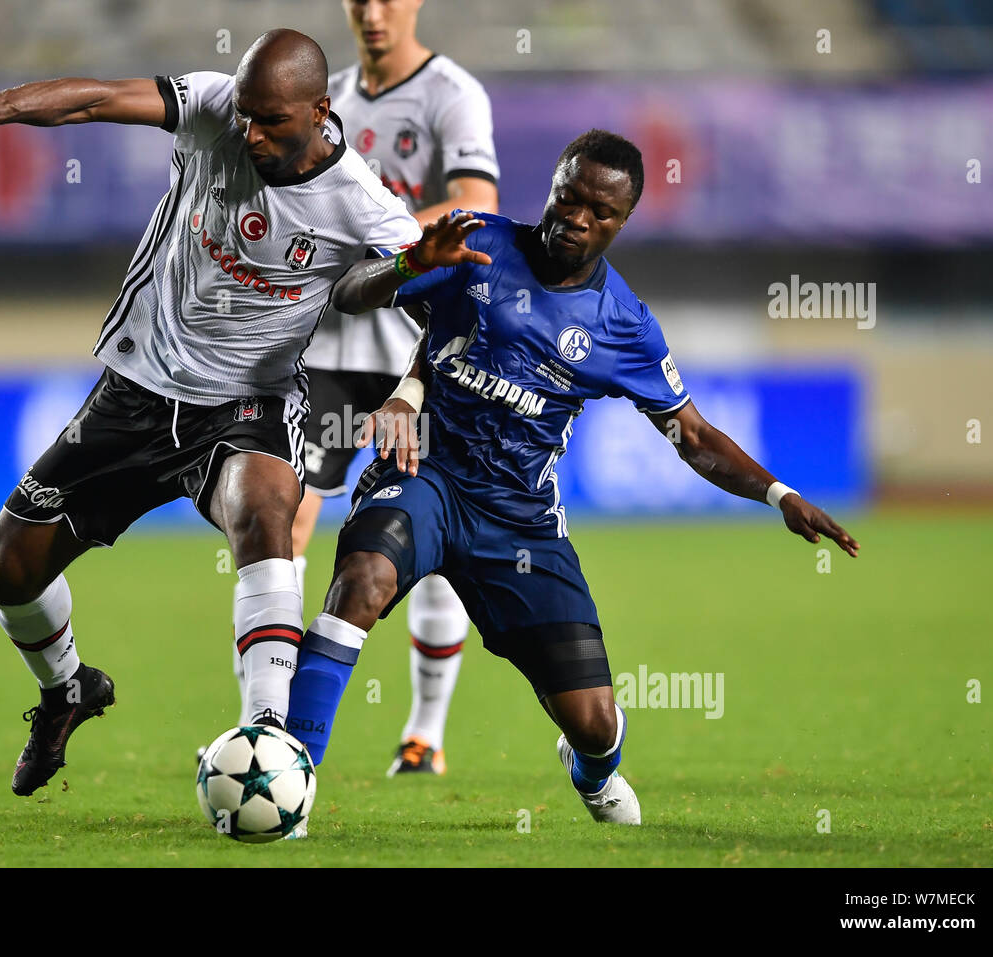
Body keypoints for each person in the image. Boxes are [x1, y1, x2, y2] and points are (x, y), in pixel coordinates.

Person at [0, 28, 446, 797]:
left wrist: (408, 388)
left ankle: (269, 739)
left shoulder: (361, 201)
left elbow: (440, 304)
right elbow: (98, 97)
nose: (249, 131)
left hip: (242, 405)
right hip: (134, 388)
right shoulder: (215, 106)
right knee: (8, 569)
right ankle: (68, 690)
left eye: (269, 120)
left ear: (320, 111)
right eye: (246, 116)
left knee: (268, 513)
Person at [283, 130, 860, 824]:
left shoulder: (623, 324)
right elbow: (351, 292)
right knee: (363, 581)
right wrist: (409, 263)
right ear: (554, 187)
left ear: (623, 221)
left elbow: (694, 436)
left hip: (518, 516)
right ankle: (291, 775)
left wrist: (779, 492)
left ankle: (593, 773)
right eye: (570, 197)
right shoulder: (477, 243)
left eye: (600, 211)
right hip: (425, 472)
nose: (578, 218)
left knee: (593, 720)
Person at [233, 0, 500, 777]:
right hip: (331, 346)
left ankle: (424, 730)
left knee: (430, 528)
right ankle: (267, 723)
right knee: (282, 522)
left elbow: (477, 206)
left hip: (420, 345)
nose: (375, 12)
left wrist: (375, 226)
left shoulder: (453, 94)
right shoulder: (327, 98)